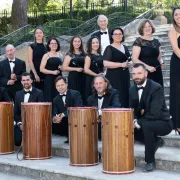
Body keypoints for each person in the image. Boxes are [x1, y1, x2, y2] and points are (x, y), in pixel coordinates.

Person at [129, 63, 172, 172]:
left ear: (146, 73)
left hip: (163, 122)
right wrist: (134, 119)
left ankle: (150, 161)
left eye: (139, 73)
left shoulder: (156, 88)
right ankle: (156, 141)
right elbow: (132, 109)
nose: (136, 76)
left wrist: (138, 120)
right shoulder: (132, 89)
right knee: (128, 128)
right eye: (134, 74)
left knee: (147, 125)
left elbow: (154, 113)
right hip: (146, 120)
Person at [87, 74, 121, 140]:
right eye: (96, 83)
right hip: (96, 129)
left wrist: (100, 112)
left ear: (106, 84)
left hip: (111, 126)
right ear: (94, 85)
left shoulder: (114, 93)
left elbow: (117, 107)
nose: (98, 86)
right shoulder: (90, 98)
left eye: (100, 83)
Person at [103, 27, 131, 108]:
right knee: (115, 96)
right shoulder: (109, 48)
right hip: (113, 76)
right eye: (115, 34)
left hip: (125, 75)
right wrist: (121, 65)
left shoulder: (125, 47)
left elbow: (129, 59)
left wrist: (130, 63)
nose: (118, 35)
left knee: (125, 95)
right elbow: (105, 63)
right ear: (112, 36)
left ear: (122, 35)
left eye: (120, 34)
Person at [14, 72, 43, 146]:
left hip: (34, 123)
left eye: (27, 80)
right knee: (17, 141)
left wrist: (31, 123)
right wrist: (20, 123)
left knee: (33, 141)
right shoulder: (18, 94)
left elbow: (40, 111)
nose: (25, 82)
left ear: (31, 80)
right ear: (21, 82)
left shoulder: (39, 93)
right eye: (23, 80)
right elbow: (16, 112)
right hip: (21, 123)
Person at [132, 19, 165, 87]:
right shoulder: (139, 41)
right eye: (145, 27)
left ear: (152, 28)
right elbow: (134, 59)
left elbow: (159, 57)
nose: (147, 28)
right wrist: (148, 67)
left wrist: (162, 62)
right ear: (142, 29)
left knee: (157, 92)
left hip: (157, 71)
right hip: (144, 72)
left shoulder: (156, 41)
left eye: (149, 26)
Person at [52, 76, 83, 143]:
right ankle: (69, 137)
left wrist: (63, 114)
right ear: (56, 87)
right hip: (66, 125)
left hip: (78, 121)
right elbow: (54, 113)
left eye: (62, 85)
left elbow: (78, 108)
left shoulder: (75, 93)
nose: (60, 87)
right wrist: (55, 119)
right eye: (58, 86)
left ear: (66, 84)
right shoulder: (55, 99)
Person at [62, 36, 86, 103]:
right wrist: (76, 69)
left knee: (83, 95)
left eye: (79, 41)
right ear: (72, 43)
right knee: (74, 96)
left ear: (81, 43)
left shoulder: (84, 54)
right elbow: (64, 67)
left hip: (84, 77)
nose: (77, 43)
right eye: (75, 41)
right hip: (74, 78)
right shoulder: (70, 54)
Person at [168, 7, 180, 134]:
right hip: (177, 62)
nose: (178, 16)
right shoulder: (172, 30)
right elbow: (176, 49)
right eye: (176, 15)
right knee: (178, 93)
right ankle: (177, 124)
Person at [40, 37, 63, 102]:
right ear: (49, 45)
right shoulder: (46, 55)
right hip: (49, 79)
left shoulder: (60, 55)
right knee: (49, 97)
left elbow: (62, 67)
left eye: (55, 43)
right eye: (52, 43)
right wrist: (52, 72)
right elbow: (41, 69)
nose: (54, 44)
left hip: (59, 78)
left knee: (59, 97)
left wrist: (61, 67)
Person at [84, 36, 104, 102]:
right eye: (93, 43)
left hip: (100, 79)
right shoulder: (88, 56)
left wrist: (103, 73)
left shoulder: (101, 56)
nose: (96, 44)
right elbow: (86, 69)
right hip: (91, 80)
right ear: (90, 45)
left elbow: (104, 67)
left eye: (97, 42)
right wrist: (96, 75)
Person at [28, 27, 47, 91]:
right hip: (35, 72)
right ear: (35, 35)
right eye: (37, 33)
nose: (39, 34)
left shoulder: (47, 46)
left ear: (43, 34)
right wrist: (35, 74)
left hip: (45, 72)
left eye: (40, 33)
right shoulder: (31, 46)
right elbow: (30, 61)